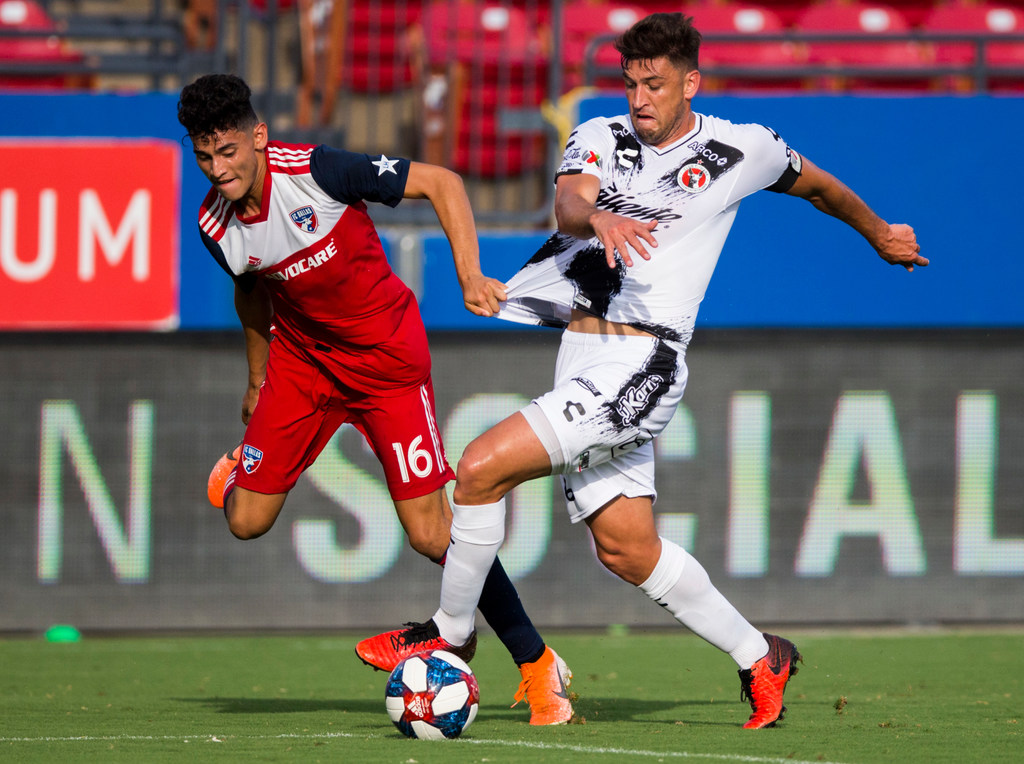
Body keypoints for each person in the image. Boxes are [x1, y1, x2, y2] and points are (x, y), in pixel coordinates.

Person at [363, 13, 928, 730]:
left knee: (476, 469)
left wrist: (878, 233)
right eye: (631, 83)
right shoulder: (600, 134)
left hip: (644, 360)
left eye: (654, 85)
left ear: (690, 82)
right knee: (627, 550)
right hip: (582, 352)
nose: (639, 98)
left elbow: (817, 185)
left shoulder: (740, 148)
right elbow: (569, 200)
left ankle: (449, 636)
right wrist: (595, 218)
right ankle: (761, 656)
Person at [177, 73, 574, 726]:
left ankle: (535, 665)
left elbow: (441, 182)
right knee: (245, 521)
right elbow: (252, 292)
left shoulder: (320, 173)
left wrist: (470, 274)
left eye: (229, 153)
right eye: (205, 157)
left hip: (387, 364)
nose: (219, 171)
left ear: (259, 137)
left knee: (430, 534)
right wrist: (256, 380)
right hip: (303, 369)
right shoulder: (214, 226)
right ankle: (245, 455)